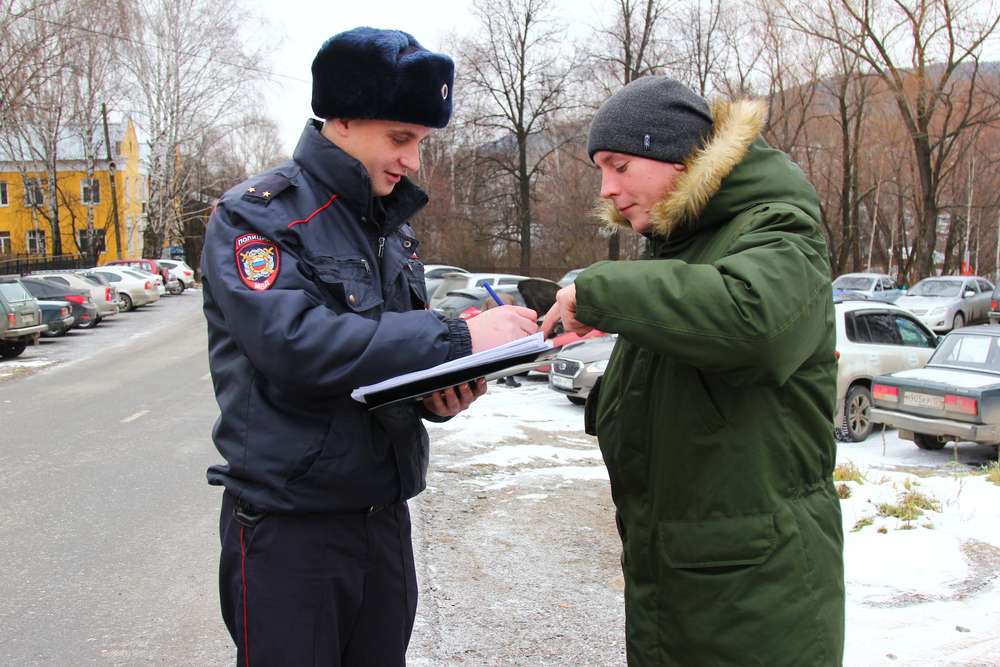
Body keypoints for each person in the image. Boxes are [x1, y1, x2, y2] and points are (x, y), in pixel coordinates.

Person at [201, 27, 538, 666]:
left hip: (383, 518)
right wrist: (458, 335)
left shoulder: (391, 232)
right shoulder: (257, 217)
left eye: (421, 142)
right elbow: (295, 346)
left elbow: (386, 363)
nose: (413, 160)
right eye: (401, 138)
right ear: (344, 119)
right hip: (290, 528)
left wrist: (440, 391)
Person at [542, 77, 845, 665]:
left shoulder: (781, 229)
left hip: (758, 598)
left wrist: (603, 294)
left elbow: (753, 322)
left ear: (679, 156)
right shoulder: (682, 252)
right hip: (682, 585)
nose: (607, 188)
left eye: (620, 165)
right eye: (600, 169)